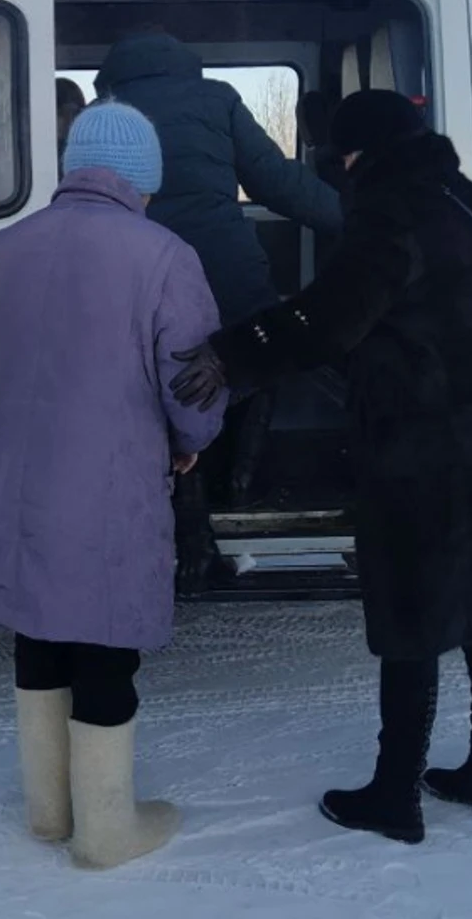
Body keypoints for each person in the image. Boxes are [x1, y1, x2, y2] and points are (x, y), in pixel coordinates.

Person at [168, 89, 472, 844]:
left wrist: (232, 350)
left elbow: (333, 318)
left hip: (422, 447)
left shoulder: (389, 208)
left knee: (412, 615)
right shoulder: (463, 197)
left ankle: (394, 793)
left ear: (362, 151)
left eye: (342, 155)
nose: (339, 168)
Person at [0, 100, 227, 870]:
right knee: (106, 639)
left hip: (8, 474)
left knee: (37, 628)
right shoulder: (164, 255)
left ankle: (48, 811)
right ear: (143, 179)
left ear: (72, 170)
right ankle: (104, 831)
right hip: (106, 477)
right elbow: (191, 386)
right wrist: (189, 444)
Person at [96, 30, 345, 559]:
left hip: (139, 274)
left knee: (164, 391)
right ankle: (241, 484)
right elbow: (276, 182)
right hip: (226, 272)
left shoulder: (105, 111)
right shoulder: (217, 99)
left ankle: (188, 522)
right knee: (259, 359)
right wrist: (357, 222)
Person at [56, 77, 89, 164]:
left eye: (76, 114)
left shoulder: (85, 154)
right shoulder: (36, 153)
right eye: (61, 114)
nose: (70, 121)